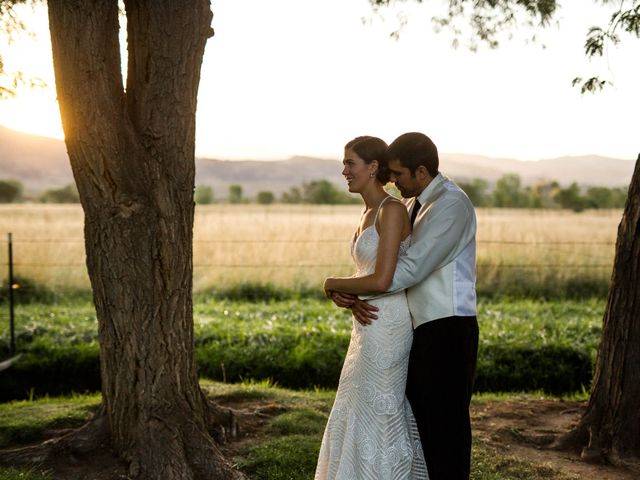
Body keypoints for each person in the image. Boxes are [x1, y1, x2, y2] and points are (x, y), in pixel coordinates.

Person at [329, 132, 479, 480]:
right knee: (419, 421)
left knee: (447, 426)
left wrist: (339, 285)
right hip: (413, 326)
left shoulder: (451, 204)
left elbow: (409, 269)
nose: (392, 181)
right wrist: (354, 295)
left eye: (398, 174)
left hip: (448, 326)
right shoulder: (413, 202)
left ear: (422, 171)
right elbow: (382, 266)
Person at [314, 135, 428, 480]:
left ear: (373, 167)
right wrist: (346, 297)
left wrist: (331, 283)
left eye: (350, 163)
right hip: (366, 325)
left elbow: (381, 280)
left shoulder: (391, 211)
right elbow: (365, 277)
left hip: (388, 325)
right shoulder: (367, 212)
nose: (344, 170)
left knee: (378, 409)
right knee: (354, 406)